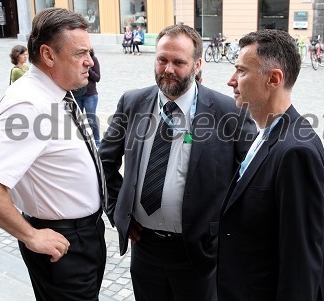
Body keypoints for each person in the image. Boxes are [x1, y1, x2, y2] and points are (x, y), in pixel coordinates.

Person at [99, 24, 256, 301]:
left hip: (198, 253)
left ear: (197, 65)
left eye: (178, 62)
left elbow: (252, 182)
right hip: (144, 248)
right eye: (162, 60)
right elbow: (105, 163)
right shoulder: (132, 103)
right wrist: (116, 210)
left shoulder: (229, 113)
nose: (168, 69)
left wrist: (225, 238)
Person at [0, 8, 107, 301]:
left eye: (90, 52)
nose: (90, 62)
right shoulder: (30, 104)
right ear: (48, 55)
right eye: (80, 53)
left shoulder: (54, 91)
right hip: (64, 241)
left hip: (80, 235)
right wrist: (30, 235)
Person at [217, 29, 324, 301]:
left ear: (273, 79)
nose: (231, 81)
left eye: (241, 71)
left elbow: (300, 265)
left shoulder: (295, 152)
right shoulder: (268, 133)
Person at [75, 48, 101, 147]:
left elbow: (97, 78)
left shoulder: (93, 60)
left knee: (91, 119)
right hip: (77, 94)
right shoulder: (77, 61)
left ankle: (97, 142)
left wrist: (88, 69)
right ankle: (82, 141)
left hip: (90, 95)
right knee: (78, 119)